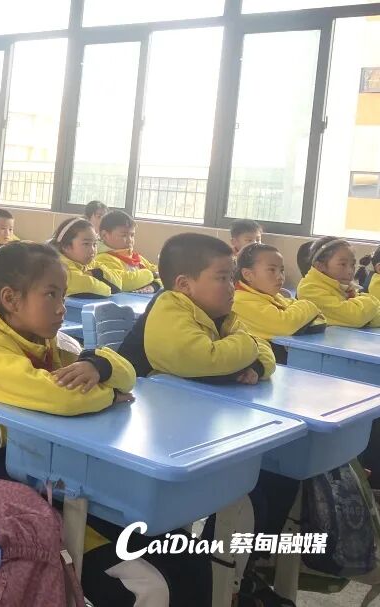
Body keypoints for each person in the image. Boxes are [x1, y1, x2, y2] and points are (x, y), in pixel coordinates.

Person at [0, 241, 212, 605]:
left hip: (67, 474)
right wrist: (108, 393)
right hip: (16, 487)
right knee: (149, 587)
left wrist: (99, 366)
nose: (63, 307)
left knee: (192, 559)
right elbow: (62, 397)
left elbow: (127, 373)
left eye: (64, 295)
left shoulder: (47, 341)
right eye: (51, 295)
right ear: (10, 299)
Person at [116, 233, 293, 605]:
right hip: (145, 440)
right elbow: (201, 357)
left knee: (260, 491)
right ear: (184, 284)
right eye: (222, 277)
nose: (232, 287)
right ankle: (221, 578)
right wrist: (247, 350)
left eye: (232, 277)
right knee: (247, 496)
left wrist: (256, 363)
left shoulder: (219, 313)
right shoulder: (168, 307)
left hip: (190, 426)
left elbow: (264, 352)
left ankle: (233, 579)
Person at [231, 242, 325, 364]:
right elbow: (286, 325)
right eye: (272, 270)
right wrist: (308, 305)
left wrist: (303, 316)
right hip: (260, 364)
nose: (280, 277)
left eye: (282, 270)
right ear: (248, 275)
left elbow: (320, 319)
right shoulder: (240, 302)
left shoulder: (272, 296)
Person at [297, 236, 380, 328]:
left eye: (352, 264)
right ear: (320, 266)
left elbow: (374, 316)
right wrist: (371, 302)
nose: (350, 271)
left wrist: (367, 314)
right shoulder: (309, 289)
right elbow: (355, 317)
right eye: (343, 264)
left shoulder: (342, 287)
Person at [51, 217, 121, 297]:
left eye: (95, 244)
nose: (92, 250)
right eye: (86, 244)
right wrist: (108, 289)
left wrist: (97, 273)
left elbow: (118, 283)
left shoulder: (90, 263)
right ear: (66, 246)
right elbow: (87, 286)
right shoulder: (59, 266)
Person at [94, 210, 160, 293]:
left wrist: (154, 285)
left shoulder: (136, 257)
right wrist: (152, 274)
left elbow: (163, 274)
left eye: (132, 235)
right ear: (104, 235)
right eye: (124, 235)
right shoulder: (101, 259)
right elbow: (121, 282)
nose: (129, 240)